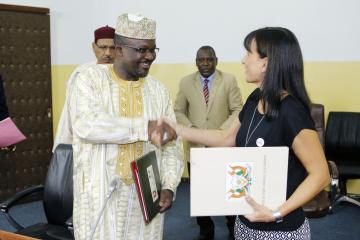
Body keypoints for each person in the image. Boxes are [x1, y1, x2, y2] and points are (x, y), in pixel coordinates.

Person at [163, 27, 330, 240]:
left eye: (248, 53)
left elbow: (320, 174)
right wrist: (177, 129)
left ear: (265, 63)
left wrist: (276, 213)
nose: (243, 60)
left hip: (280, 230)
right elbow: (226, 138)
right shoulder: (255, 98)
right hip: (246, 224)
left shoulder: (291, 111)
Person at [58, 13, 183, 240]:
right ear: (118, 50)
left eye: (152, 49)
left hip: (146, 196)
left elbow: (172, 144)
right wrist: (143, 129)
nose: (149, 57)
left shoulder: (158, 91)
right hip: (100, 195)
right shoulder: (88, 80)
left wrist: (169, 186)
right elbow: (86, 125)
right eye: (141, 50)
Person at [174, 46, 243, 240]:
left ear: (216, 60)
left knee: (229, 189)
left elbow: (238, 109)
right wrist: (191, 130)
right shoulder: (186, 82)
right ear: (196, 62)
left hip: (224, 145)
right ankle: (206, 228)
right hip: (196, 148)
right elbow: (178, 111)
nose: (205, 63)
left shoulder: (228, 80)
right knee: (200, 192)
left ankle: (233, 226)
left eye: (209, 59)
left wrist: (222, 132)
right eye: (201, 60)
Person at [53, 25, 115, 148]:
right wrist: (64, 143)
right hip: (84, 143)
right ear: (93, 47)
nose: (108, 53)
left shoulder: (123, 74)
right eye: (103, 47)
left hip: (114, 141)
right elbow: (70, 113)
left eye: (112, 48)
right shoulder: (81, 73)